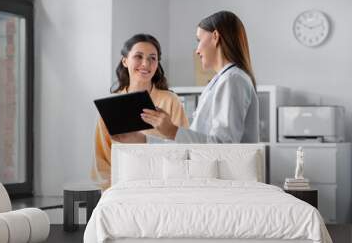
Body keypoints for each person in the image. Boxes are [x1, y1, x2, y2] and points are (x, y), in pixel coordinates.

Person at [113, 11, 259, 144]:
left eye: (199, 40)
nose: (197, 50)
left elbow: (223, 146)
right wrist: (143, 140)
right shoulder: (222, 80)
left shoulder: (232, 80)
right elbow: (195, 145)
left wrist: (172, 130)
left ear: (215, 36)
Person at [92, 34, 189, 190]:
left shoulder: (171, 101)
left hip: (164, 187)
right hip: (122, 188)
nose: (146, 64)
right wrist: (109, 192)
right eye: (138, 56)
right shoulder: (110, 107)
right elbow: (102, 158)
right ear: (125, 60)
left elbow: (185, 147)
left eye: (152, 58)